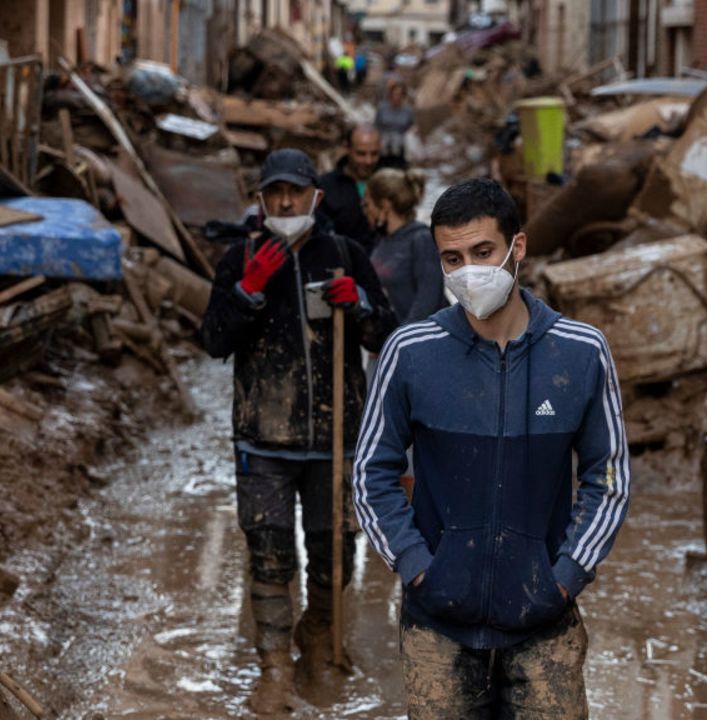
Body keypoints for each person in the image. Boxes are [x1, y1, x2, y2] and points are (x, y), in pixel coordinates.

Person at [353, 178, 631, 718]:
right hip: (437, 629)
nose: (468, 271)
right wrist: (417, 567)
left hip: (545, 627)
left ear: (516, 248)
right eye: (451, 258)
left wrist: (566, 577)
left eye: (482, 252)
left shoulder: (581, 352)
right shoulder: (411, 352)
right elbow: (371, 475)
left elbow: (609, 479)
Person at [199, 149, 397, 713]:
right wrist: (247, 292)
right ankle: (274, 667)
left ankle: (317, 635)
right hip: (263, 436)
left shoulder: (345, 255)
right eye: (274, 193)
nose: (285, 202)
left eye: (295, 192)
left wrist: (358, 304)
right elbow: (213, 341)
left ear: (315, 195)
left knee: (334, 550)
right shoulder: (238, 258)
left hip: (335, 438)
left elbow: (387, 334)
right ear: (260, 200)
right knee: (269, 550)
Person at [364, 168, 445, 324]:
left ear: (384, 204)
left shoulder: (421, 239)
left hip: (420, 338)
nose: (366, 210)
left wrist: (404, 340)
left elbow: (428, 301)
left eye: (368, 204)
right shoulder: (382, 241)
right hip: (392, 339)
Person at [317, 124, 382, 254]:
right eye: (361, 154)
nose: (368, 161)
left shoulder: (388, 183)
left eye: (374, 154)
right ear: (347, 148)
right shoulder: (326, 186)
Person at [375, 81, 415, 169]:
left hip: (399, 141)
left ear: (403, 96)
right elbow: (377, 125)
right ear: (390, 95)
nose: (397, 97)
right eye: (395, 94)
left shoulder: (408, 111)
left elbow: (410, 126)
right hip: (384, 140)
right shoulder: (382, 108)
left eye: (400, 94)